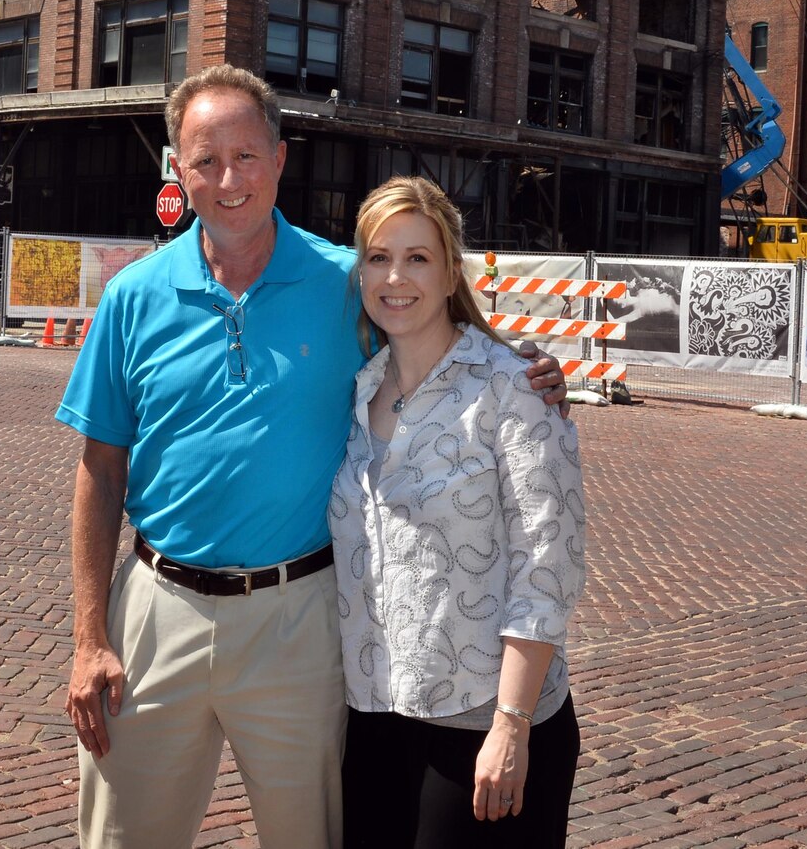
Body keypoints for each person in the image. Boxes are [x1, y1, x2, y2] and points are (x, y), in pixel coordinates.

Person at [57, 65, 566, 849]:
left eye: (247, 155)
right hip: (157, 609)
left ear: (282, 158)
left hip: (301, 615)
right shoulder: (133, 296)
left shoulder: (346, 283)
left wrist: (527, 367)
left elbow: (435, 321)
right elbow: (100, 469)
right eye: (205, 159)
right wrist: (91, 635)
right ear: (177, 170)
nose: (229, 179)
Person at [329, 176, 585, 849]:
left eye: (417, 257)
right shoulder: (357, 389)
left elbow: (547, 567)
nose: (395, 276)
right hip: (375, 715)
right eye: (379, 257)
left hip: (481, 721)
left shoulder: (513, 386)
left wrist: (511, 723)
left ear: (450, 271)